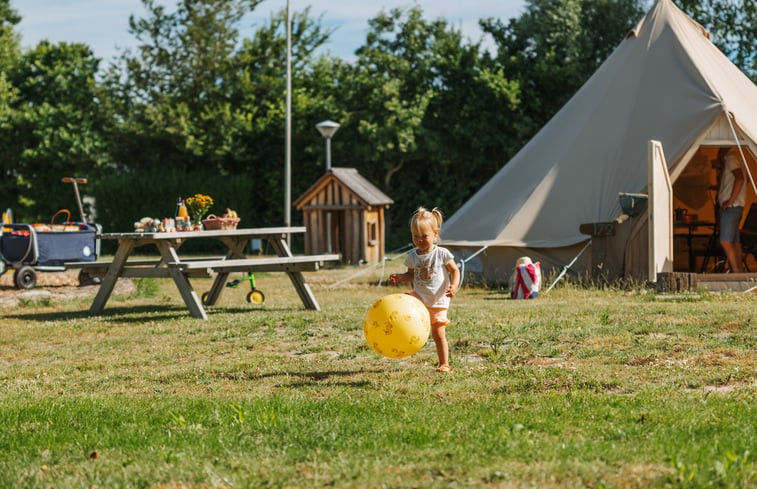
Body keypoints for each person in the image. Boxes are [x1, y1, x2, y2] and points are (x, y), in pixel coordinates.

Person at [390, 207, 460, 373]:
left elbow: (454, 270)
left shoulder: (442, 254)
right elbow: (411, 275)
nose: (419, 240)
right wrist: (401, 277)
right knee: (404, 309)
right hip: (419, 298)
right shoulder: (413, 256)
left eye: (424, 236)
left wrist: (454, 285)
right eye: (415, 236)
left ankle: (444, 363)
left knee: (438, 334)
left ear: (435, 234)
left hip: (438, 300)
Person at [715, 147, 746, 272]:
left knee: (725, 240)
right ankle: (740, 271)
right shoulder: (737, 158)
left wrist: (731, 200)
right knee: (734, 240)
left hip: (731, 207)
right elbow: (744, 180)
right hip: (735, 206)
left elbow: (740, 178)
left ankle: (737, 271)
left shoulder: (731, 158)